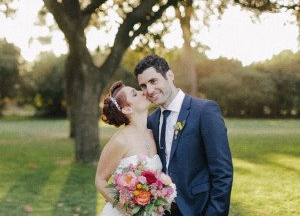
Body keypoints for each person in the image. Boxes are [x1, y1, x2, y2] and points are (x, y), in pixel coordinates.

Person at [134, 54, 233, 216]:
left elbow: (222, 172)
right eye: (143, 86)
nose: (149, 90)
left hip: (199, 208)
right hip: (163, 211)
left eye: (153, 81)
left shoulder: (204, 111)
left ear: (170, 76)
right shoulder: (151, 121)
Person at [95, 81, 161, 216]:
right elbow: (100, 180)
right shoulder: (120, 140)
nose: (143, 92)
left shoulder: (153, 134)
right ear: (127, 109)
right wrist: (122, 206)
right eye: (135, 94)